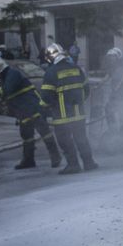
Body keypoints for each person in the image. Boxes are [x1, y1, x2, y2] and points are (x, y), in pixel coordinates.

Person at [0, 56, 62, 170]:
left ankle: (55, 156)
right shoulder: (2, 77)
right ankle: (28, 160)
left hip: (32, 106)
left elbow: (7, 90)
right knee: (26, 135)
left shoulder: (12, 74)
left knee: (44, 131)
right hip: (21, 109)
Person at [40, 42, 98, 174]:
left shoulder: (51, 72)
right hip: (79, 114)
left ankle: (73, 165)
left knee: (65, 140)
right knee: (81, 138)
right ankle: (89, 162)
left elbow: (46, 96)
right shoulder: (76, 68)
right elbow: (86, 89)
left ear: (50, 57)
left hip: (62, 116)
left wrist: (48, 107)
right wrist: (78, 103)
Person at [102, 47, 123, 133]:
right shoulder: (113, 66)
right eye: (110, 56)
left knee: (122, 110)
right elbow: (108, 76)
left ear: (117, 56)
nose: (111, 58)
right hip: (114, 92)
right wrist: (99, 85)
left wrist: (118, 86)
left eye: (113, 56)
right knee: (108, 108)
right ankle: (112, 128)